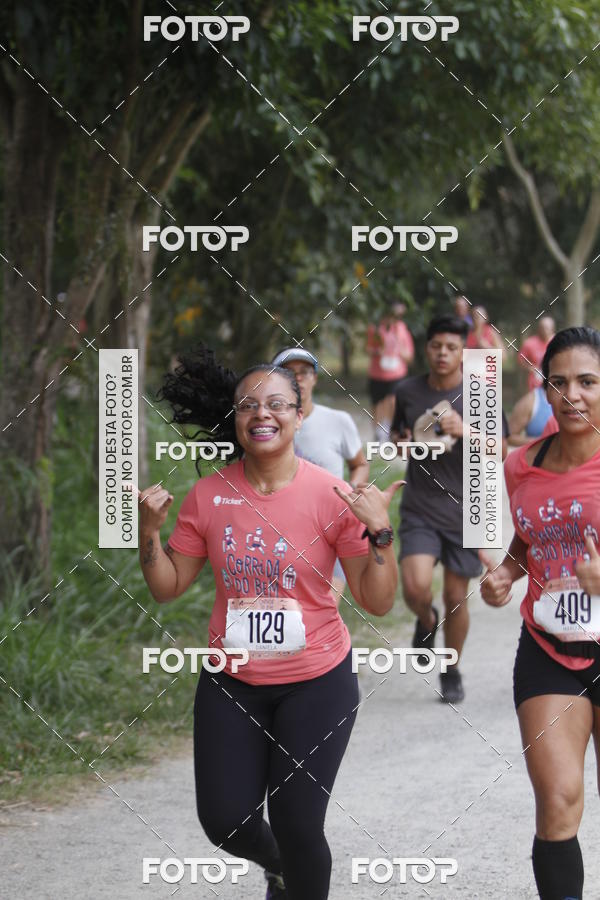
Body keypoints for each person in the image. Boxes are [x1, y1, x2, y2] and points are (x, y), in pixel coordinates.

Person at [138, 347, 402, 900]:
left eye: (278, 404)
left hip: (317, 682)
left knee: (300, 821)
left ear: (299, 415)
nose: (263, 414)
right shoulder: (209, 495)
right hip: (233, 681)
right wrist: (149, 533)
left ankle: (295, 861)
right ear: (235, 420)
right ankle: (282, 863)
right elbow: (168, 587)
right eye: (248, 406)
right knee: (226, 822)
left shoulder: (332, 496)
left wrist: (381, 534)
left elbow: (376, 602)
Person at [480, 326, 600, 900]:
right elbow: (529, 541)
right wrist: (507, 571)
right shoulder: (520, 465)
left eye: (588, 381)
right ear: (545, 390)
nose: (572, 393)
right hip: (550, 649)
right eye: (560, 382)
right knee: (557, 801)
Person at [390, 314, 508, 703]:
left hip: (468, 507)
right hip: (421, 505)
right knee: (415, 586)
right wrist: (403, 442)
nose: (443, 354)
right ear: (426, 348)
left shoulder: (481, 391)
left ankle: (452, 668)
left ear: (463, 352)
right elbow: (397, 436)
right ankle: (426, 621)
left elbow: (503, 451)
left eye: (452, 347)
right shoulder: (407, 391)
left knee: (457, 596)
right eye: (437, 346)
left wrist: (466, 431)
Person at [271, 347, 369, 602]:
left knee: (325, 606)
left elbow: (359, 464)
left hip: (329, 527)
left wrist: (350, 491)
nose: (298, 379)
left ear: (314, 378)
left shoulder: (338, 421)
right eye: (289, 373)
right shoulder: (262, 425)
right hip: (277, 531)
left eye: (304, 372)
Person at [366, 303, 414, 442]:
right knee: (377, 404)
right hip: (377, 373)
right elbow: (368, 348)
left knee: (393, 401)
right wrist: (377, 351)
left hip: (397, 374)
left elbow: (409, 355)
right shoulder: (375, 328)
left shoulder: (402, 329)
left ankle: (390, 429)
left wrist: (401, 352)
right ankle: (378, 432)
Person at [519, 316, 556, 390]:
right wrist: (529, 368)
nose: (545, 330)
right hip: (535, 383)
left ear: (553, 329)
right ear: (539, 328)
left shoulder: (558, 342)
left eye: (547, 328)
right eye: (542, 327)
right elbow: (520, 359)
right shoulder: (530, 343)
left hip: (553, 381)